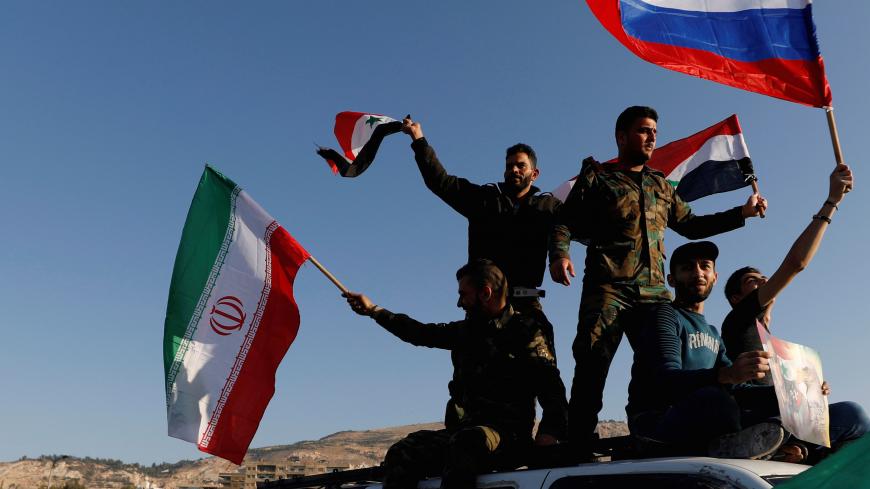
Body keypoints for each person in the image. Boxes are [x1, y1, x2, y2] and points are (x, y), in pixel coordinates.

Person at [548, 106, 768, 452]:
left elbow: (692, 225)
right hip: (608, 290)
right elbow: (564, 221)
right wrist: (560, 254)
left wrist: (742, 212)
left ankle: (665, 428)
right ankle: (577, 443)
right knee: (593, 365)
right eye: (643, 130)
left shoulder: (660, 186)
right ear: (621, 137)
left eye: (654, 131)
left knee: (669, 364)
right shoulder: (599, 178)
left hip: (653, 294)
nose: (651, 137)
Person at [626, 241, 869, 460]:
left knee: (852, 413)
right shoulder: (665, 316)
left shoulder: (711, 332)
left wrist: (800, 393)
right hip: (661, 424)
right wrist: (727, 375)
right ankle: (773, 447)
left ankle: (775, 445)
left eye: (705, 266)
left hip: (720, 423)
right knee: (716, 400)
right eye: (688, 268)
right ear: (672, 280)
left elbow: (738, 389)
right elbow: (665, 381)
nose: (698, 273)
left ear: (714, 276)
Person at [343, 259, 568, 489]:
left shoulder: (526, 331)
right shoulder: (467, 332)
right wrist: (374, 310)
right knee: (403, 451)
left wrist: (548, 435)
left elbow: (552, 388)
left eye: (464, 294)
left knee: (465, 443)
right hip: (466, 432)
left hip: (508, 437)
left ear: (486, 293)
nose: (459, 303)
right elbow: (420, 333)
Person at [402, 117, 559, 322]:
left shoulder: (548, 207)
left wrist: (560, 255)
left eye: (521, 166)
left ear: (534, 173)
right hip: (484, 304)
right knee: (475, 353)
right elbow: (440, 182)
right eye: (509, 166)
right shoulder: (485, 199)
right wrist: (418, 139)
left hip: (525, 304)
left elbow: (573, 226)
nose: (514, 170)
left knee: (539, 354)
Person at [722, 163, 854, 376]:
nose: (764, 281)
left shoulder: (767, 338)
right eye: (752, 281)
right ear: (736, 299)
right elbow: (796, 263)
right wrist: (832, 202)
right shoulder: (738, 320)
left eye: (764, 277)